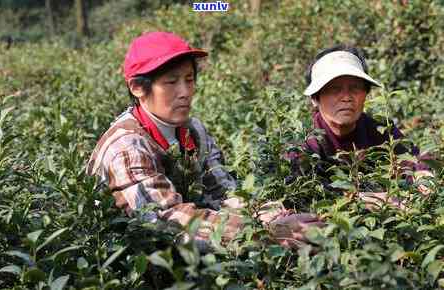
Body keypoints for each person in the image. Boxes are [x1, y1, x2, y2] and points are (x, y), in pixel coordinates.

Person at [86, 31, 323, 250]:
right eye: (171, 82)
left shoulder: (193, 130)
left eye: (189, 79)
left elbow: (223, 190)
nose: (185, 91)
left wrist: (271, 215)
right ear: (138, 87)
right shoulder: (126, 147)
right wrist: (265, 233)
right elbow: (164, 222)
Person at [287, 44, 432, 209]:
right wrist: (365, 200)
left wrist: (423, 173)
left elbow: (416, 158)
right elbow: (298, 198)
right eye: (335, 89)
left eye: (355, 88)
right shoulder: (305, 144)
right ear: (315, 98)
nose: (346, 97)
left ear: (366, 94)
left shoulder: (379, 130)